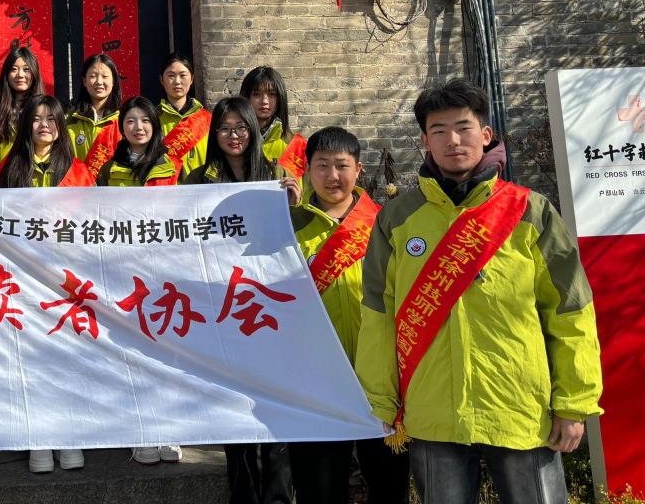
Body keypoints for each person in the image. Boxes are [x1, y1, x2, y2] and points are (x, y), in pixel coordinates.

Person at [356, 78, 603, 504]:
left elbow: (570, 311)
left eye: (463, 127)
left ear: (486, 134)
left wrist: (573, 401)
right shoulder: (396, 219)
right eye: (439, 130)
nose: (452, 140)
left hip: (519, 406)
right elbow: (379, 314)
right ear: (425, 141)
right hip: (433, 410)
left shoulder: (530, 211)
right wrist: (379, 400)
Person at [181, 96, 299, 504]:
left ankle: (278, 498)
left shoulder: (276, 176)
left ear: (253, 130)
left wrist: (294, 206)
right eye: (225, 128)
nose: (234, 136)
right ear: (214, 134)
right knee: (235, 413)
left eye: (241, 127)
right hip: (221, 309)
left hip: (267, 308)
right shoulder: (197, 181)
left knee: (276, 410)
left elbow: (294, 242)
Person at [288, 127, 409, 504]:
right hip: (316, 382)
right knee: (319, 489)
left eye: (341, 165)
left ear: (358, 170)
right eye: (322, 165)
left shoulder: (387, 225)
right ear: (307, 171)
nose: (332, 176)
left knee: (389, 485)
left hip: (382, 381)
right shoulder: (287, 229)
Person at [0, 95, 92, 473]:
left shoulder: (78, 171)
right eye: (36, 119)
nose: (44, 125)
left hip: (66, 283)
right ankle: (38, 438)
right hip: (23, 281)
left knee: (67, 360)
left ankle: (69, 435)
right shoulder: (9, 168)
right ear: (26, 125)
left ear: (61, 126)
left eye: (51, 118)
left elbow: (94, 224)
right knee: (31, 361)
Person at [95, 96, 181, 464]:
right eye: (131, 120)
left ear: (155, 126)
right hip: (122, 274)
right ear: (121, 127)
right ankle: (140, 430)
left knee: (165, 351)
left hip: (163, 274)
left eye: (145, 120)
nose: (138, 127)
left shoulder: (172, 168)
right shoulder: (107, 171)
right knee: (129, 352)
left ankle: (170, 429)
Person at [0, 46, 43, 185]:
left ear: (34, 73)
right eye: (14, 69)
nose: (20, 75)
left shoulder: (44, 113)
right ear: (6, 74)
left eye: (26, 69)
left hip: (32, 189)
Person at [239, 66, 307, 181]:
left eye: (272, 94)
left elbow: (309, 189)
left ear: (280, 98)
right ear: (246, 97)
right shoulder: (234, 142)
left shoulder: (296, 146)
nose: (264, 101)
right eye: (256, 94)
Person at [67, 54, 123, 178]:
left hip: (114, 187)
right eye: (93, 76)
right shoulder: (70, 119)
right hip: (77, 186)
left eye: (105, 76)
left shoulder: (123, 120)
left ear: (114, 81)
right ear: (84, 81)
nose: (99, 82)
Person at [158, 53, 210, 180]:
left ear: (191, 79)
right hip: (166, 187)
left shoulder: (206, 119)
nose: (177, 81)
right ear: (161, 80)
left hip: (202, 186)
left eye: (183, 75)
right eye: (171, 76)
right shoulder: (154, 118)